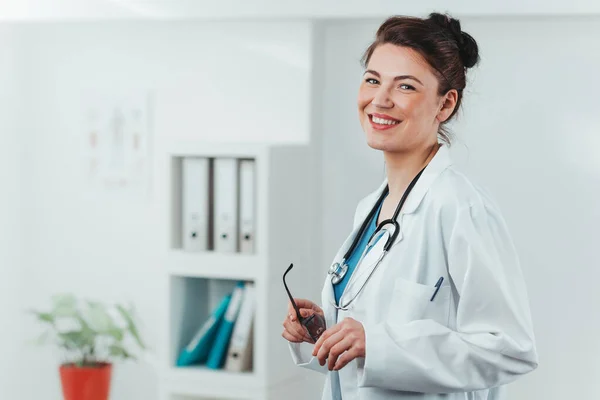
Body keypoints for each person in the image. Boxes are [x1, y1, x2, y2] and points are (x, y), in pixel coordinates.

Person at [281, 12, 539, 400]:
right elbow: (371, 355)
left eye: (405, 86)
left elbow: (509, 351)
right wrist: (325, 333)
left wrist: (378, 344)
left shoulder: (460, 206)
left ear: (445, 105)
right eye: (372, 80)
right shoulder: (372, 207)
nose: (379, 99)